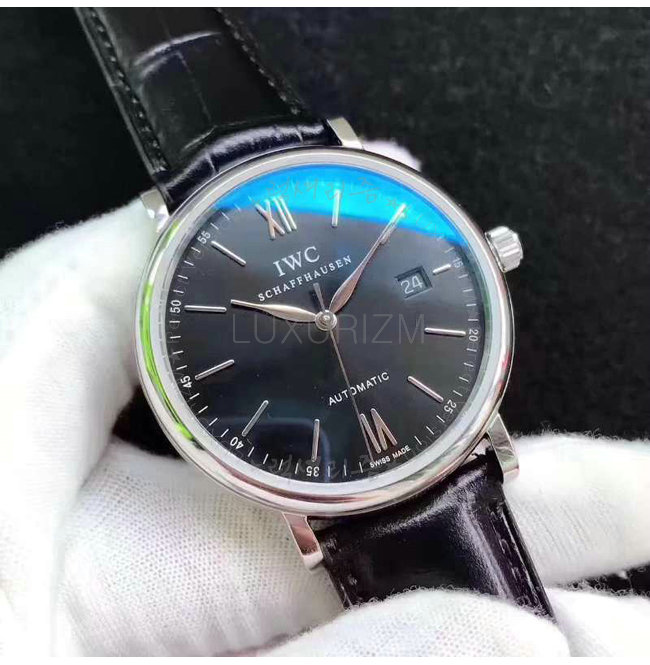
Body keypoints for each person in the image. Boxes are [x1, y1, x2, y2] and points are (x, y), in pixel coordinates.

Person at [1, 144, 648, 657]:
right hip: (325, 486)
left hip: (442, 442)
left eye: (331, 311)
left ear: (492, 255)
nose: (327, 319)